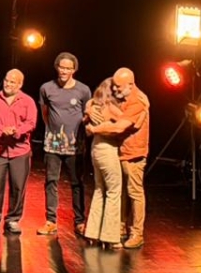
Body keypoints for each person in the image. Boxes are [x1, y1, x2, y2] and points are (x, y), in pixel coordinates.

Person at [88, 67, 149, 249]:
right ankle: (119, 228)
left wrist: (94, 129)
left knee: (134, 192)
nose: (115, 90)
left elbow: (118, 127)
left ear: (131, 84)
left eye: (119, 87)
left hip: (133, 153)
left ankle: (136, 233)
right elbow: (98, 100)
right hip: (118, 151)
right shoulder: (124, 99)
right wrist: (89, 107)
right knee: (118, 191)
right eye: (114, 87)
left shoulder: (138, 101)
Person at [38, 52, 92, 236]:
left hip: (75, 146)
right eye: (62, 67)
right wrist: (52, 132)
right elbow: (44, 113)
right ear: (57, 67)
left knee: (77, 183)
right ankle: (51, 220)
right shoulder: (46, 88)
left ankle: (79, 221)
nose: (64, 71)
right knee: (51, 181)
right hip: (52, 145)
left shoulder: (83, 90)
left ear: (74, 70)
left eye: (68, 68)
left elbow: (87, 115)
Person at [0, 68, 37, 235]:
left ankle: (13, 219)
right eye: (6, 80)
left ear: (20, 84)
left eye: (13, 82)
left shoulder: (28, 101)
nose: (8, 84)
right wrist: (0, 129)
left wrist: (17, 131)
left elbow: (31, 122)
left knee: (18, 187)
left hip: (19, 151)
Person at [83, 79, 125, 249]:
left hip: (95, 148)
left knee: (99, 190)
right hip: (108, 149)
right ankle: (110, 236)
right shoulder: (110, 107)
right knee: (114, 192)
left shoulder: (92, 104)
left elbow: (85, 124)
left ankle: (92, 232)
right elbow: (125, 123)